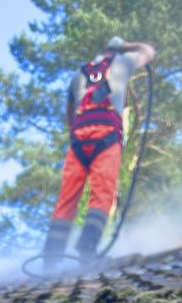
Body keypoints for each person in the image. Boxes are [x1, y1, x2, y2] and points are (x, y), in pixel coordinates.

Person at [43, 36, 156, 265]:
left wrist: (74, 134)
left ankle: (51, 258)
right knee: (102, 194)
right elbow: (148, 51)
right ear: (116, 51)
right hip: (106, 137)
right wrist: (127, 47)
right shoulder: (123, 63)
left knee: (66, 200)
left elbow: (69, 110)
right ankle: (87, 248)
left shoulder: (79, 74)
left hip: (78, 141)